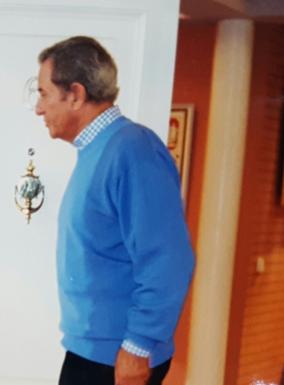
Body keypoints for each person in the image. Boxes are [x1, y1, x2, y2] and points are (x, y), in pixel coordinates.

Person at [35, 36, 195, 385]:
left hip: (117, 357)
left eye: (44, 93)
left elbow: (168, 259)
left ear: (75, 94)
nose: (39, 107)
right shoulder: (100, 150)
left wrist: (138, 346)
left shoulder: (133, 150)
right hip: (95, 351)